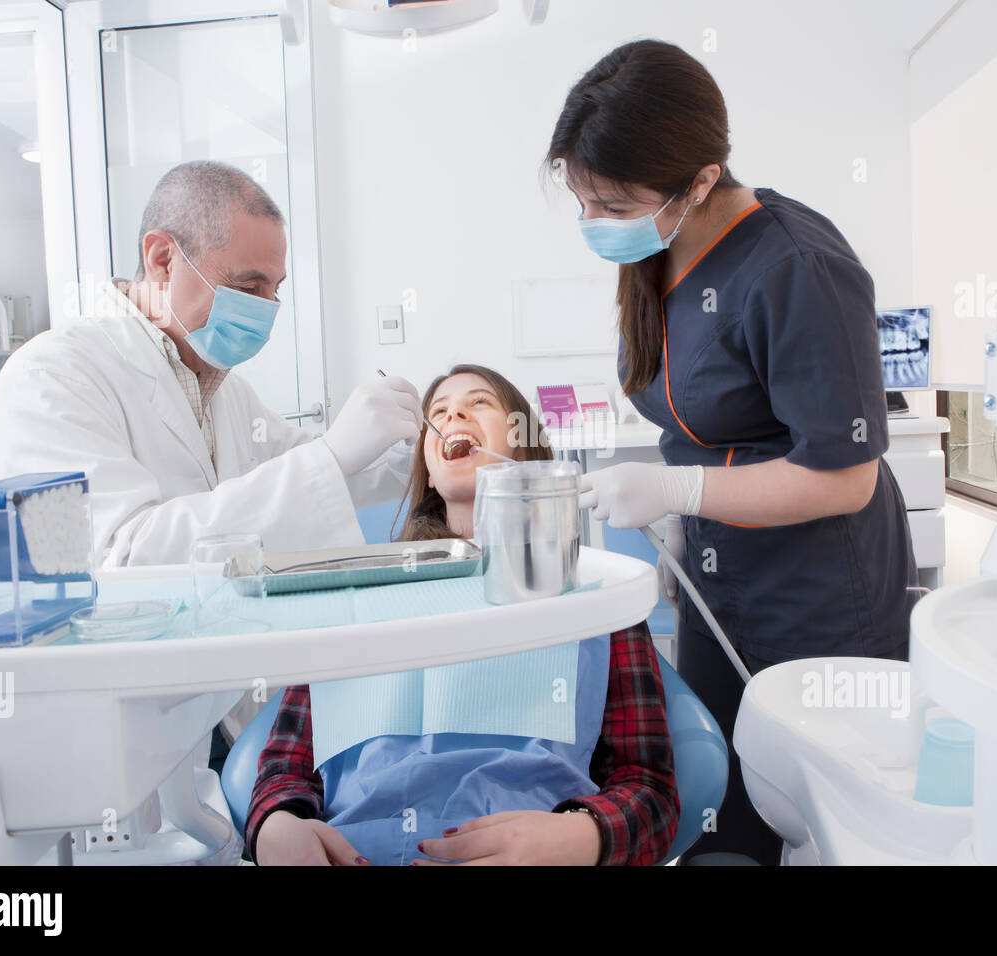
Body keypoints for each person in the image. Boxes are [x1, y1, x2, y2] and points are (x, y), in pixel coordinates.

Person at [546, 40, 920, 865]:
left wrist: (679, 493)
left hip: (817, 590)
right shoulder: (660, 250)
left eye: (612, 205)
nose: (594, 225)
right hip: (723, 578)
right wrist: (687, 517)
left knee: (821, 808)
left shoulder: (798, 268)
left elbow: (845, 478)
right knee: (723, 795)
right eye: (582, 200)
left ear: (702, 179)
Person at [245, 365, 679, 866]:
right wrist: (276, 828)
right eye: (439, 411)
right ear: (429, 471)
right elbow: (285, 764)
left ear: (523, 445)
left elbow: (651, 790)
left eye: (479, 403)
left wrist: (582, 839)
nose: (453, 413)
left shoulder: (597, 598)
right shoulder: (354, 595)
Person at [0, 160, 421, 569]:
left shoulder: (222, 388)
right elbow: (115, 558)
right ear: (162, 260)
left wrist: (412, 457)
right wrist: (331, 454)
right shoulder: (51, 377)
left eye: (274, 288)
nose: (268, 309)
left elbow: (311, 476)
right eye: (248, 286)